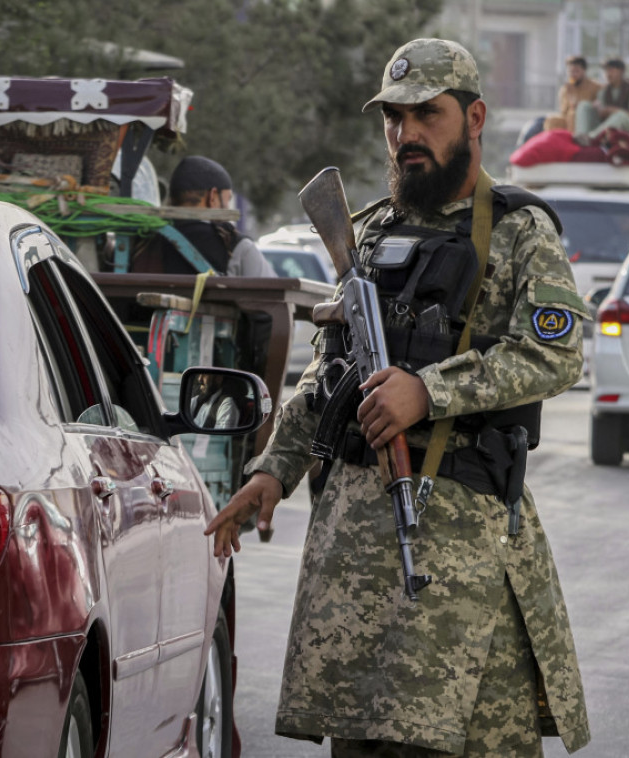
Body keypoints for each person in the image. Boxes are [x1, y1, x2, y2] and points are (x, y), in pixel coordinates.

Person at [205, 37, 591, 758]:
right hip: (352, 555)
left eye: (427, 116)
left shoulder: (517, 233)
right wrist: (273, 470)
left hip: (457, 554)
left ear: (474, 118)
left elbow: (556, 353)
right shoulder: (371, 232)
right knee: (362, 746)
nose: (407, 135)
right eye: (394, 118)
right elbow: (329, 373)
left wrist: (429, 392)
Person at [131, 154, 276, 277]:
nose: (226, 207)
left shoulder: (140, 239)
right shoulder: (235, 245)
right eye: (227, 199)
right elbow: (273, 298)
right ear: (212, 196)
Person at [515, 55, 600, 146]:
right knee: (551, 120)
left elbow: (598, 106)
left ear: (584, 71)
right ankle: (551, 145)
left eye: (576, 71)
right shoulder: (565, 89)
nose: (573, 75)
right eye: (570, 71)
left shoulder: (595, 87)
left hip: (586, 123)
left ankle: (576, 142)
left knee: (573, 115)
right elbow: (563, 111)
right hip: (567, 121)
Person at [573, 57, 629, 144]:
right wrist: (600, 111)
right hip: (607, 126)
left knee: (620, 115)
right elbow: (601, 115)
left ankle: (591, 137)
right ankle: (581, 135)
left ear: (621, 71)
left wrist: (613, 110)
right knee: (584, 105)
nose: (607, 74)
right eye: (605, 71)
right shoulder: (603, 91)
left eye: (611, 70)